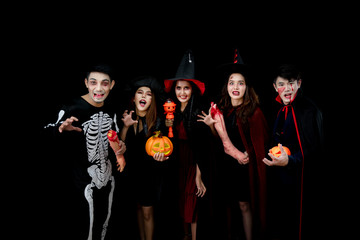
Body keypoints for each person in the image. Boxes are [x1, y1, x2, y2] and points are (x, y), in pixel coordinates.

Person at [43, 63, 125, 240]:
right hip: (80, 183)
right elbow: (47, 130)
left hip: (109, 177)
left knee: (105, 224)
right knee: (82, 226)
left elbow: (116, 137)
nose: (98, 88)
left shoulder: (112, 109)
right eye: (94, 82)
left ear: (111, 85)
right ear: (86, 83)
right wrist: (59, 130)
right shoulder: (72, 108)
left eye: (104, 83)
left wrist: (121, 148)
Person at [198, 51, 269, 240]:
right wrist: (211, 126)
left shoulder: (255, 112)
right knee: (228, 206)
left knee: (245, 206)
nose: (235, 87)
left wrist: (248, 155)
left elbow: (261, 143)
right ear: (227, 86)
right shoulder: (223, 109)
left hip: (246, 169)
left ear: (246, 87)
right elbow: (219, 140)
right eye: (232, 82)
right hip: (227, 167)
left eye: (240, 83)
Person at [262, 64, 324, 240]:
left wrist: (290, 161)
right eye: (282, 84)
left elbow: (314, 149)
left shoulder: (309, 110)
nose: (287, 88)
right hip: (281, 179)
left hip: (303, 182)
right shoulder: (280, 109)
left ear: (299, 83)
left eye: (291, 83)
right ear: (275, 87)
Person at [164, 49, 210, 240]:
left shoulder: (199, 112)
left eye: (186, 88)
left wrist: (199, 176)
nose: (182, 92)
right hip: (176, 164)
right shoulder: (169, 112)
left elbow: (203, 148)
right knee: (180, 201)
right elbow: (165, 142)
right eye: (178, 88)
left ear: (193, 90)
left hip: (194, 164)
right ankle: (184, 236)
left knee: (193, 202)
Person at [119, 75, 169, 240]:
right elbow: (120, 146)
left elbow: (162, 147)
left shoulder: (157, 122)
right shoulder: (127, 117)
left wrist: (162, 157)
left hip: (149, 175)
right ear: (134, 98)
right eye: (140, 93)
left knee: (148, 213)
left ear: (152, 99)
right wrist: (125, 127)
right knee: (138, 209)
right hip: (132, 173)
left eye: (148, 94)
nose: (144, 96)